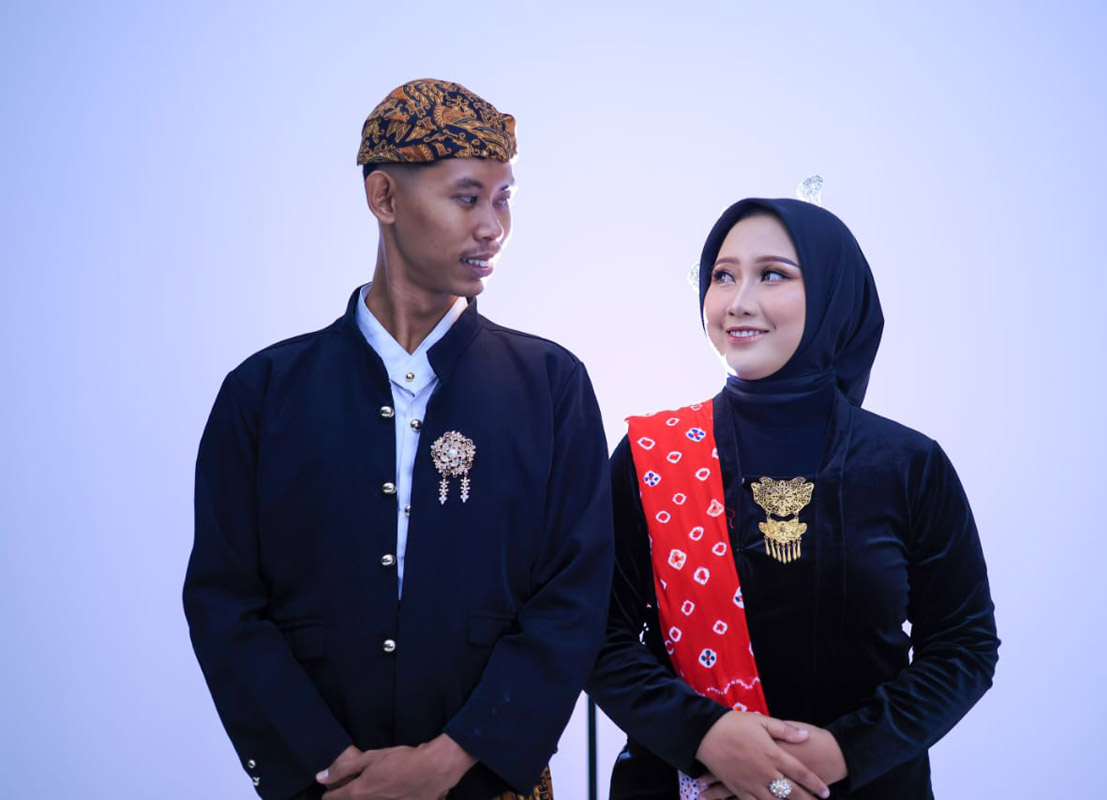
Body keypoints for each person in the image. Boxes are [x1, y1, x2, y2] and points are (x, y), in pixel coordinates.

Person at [183, 78, 613, 800]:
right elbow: (225, 604)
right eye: (467, 197)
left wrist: (448, 761)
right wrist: (329, 765)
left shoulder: (551, 384)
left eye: (504, 199)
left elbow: (574, 596)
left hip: (492, 786)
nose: (493, 227)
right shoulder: (263, 392)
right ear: (383, 198)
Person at [587, 198, 999, 799]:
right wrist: (705, 736)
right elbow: (596, 632)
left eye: (772, 275)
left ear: (833, 294)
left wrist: (844, 753)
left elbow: (964, 646)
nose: (738, 301)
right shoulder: (653, 456)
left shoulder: (908, 464)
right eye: (722, 276)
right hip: (682, 783)